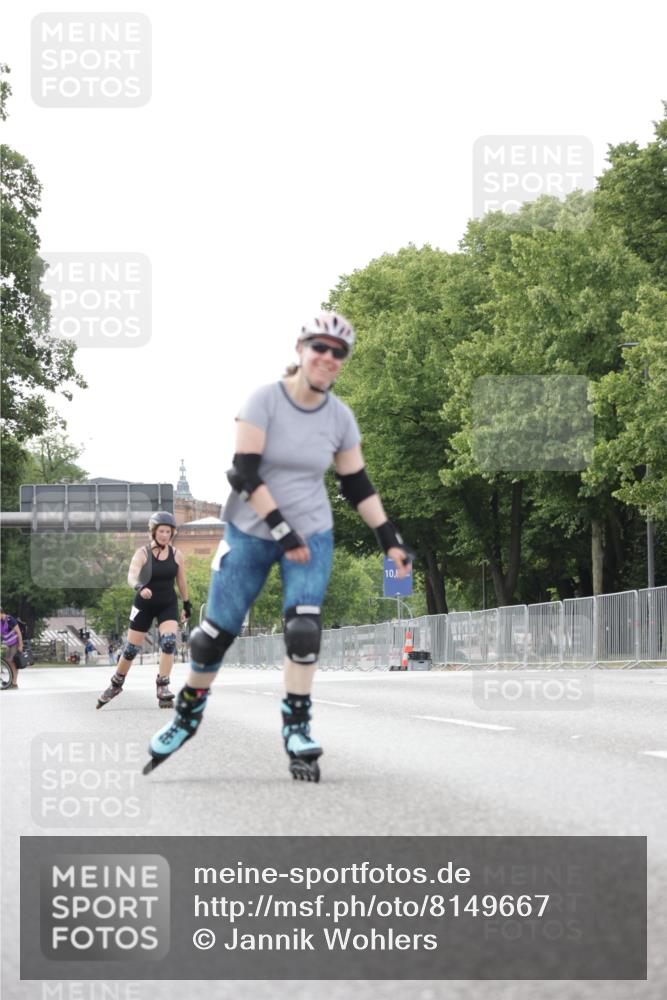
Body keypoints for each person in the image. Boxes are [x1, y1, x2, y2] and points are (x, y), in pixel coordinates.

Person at [145, 313, 411, 781]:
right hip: (250, 530)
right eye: (320, 348)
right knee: (212, 637)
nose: (328, 358)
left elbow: (357, 484)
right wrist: (281, 531)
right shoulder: (264, 400)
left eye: (338, 352)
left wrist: (390, 538)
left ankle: (297, 728)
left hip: (312, 532)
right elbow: (244, 473)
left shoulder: (340, 417)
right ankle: (186, 715)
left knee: (304, 629)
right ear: (301, 348)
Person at [96, 512, 192, 709]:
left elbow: (181, 581)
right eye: (162, 531)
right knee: (130, 650)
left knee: (169, 642)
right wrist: (140, 587)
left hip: (167, 603)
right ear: (154, 532)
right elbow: (131, 576)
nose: (165, 535)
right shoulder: (143, 553)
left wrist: (187, 604)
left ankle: (163, 685)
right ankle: (116, 684)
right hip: (144, 604)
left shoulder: (177, 555)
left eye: (168, 531)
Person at [1, 607, 25, 689]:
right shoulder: (1, 622)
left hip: (15, 643)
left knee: (11, 662)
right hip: (9, 644)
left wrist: (21, 645)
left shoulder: (9, 619)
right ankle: (11, 681)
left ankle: (14, 683)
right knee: (7, 661)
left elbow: (18, 632)